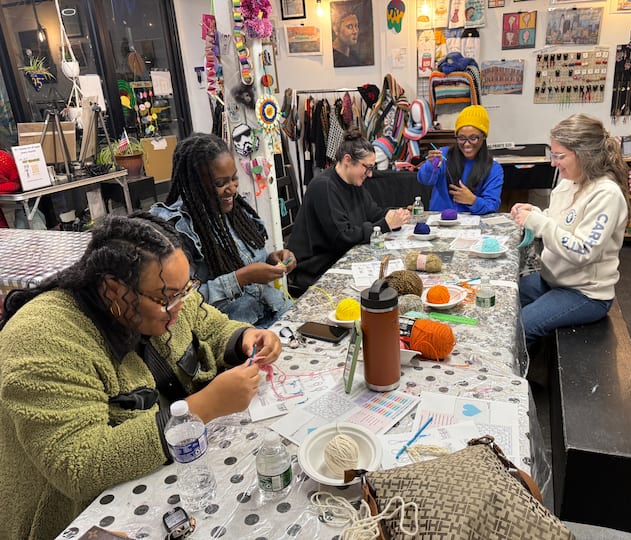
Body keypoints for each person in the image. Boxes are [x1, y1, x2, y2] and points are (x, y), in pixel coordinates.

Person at [0, 213, 282, 539]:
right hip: (80, 516)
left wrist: (244, 337)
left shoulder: (167, 292)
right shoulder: (42, 341)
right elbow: (79, 466)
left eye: (186, 290)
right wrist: (201, 409)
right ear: (114, 290)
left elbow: (209, 324)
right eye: (168, 298)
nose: (180, 304)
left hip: (176, 473)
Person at [150, 133, 295, 328]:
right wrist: (241, 278)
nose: (232, 189)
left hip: (276, 310)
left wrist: (272, 261)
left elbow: (245, 261)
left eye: (234, 178)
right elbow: (184, 301)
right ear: (195, 183)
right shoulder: (178, 229)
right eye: (221, 183)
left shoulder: (235, 210)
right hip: (236, 331)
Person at [511, 113, 629, 348]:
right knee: (506, 299)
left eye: (559, 156)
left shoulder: (606, 194)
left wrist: (539, 222)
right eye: (553, 155)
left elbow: (583, 251)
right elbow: (561, 222)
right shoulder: (569, 182)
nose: (553, 163)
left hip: (585, 294)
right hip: (555, 281)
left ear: (585, 155)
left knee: (521, 327)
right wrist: (537, 214)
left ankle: (520, 369)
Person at [287, 127, 410, 295]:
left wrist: (395, 214)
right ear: (347, 160)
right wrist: (385, 224)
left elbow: (374, 213)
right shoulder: (323, 187)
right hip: (316, 269)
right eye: (367, 167)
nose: (370, 174)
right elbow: (343, 237)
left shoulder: (354, 183)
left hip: (339, 258)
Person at [417, 104, 504, 214]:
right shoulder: (443, 155)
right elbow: (425, 180)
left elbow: (492, 205)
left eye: (473, 138)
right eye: (461, 138)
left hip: (473, 223)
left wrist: (473, 200)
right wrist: (431, 166)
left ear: (483, 137)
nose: (467, 144)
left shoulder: (493, 168)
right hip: (439, 221)